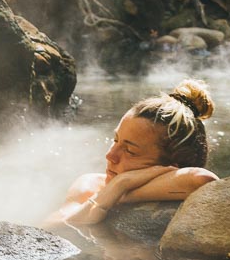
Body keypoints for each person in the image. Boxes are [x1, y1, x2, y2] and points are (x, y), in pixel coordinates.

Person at [53, 80, 218, 226]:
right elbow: (50, 227)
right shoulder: (90, 184)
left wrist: (120, 188)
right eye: (116, 140)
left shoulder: (184, 181)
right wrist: (114, 189)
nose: (110, 155)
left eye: (130, 151)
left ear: (171, 168)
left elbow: (204, 182)